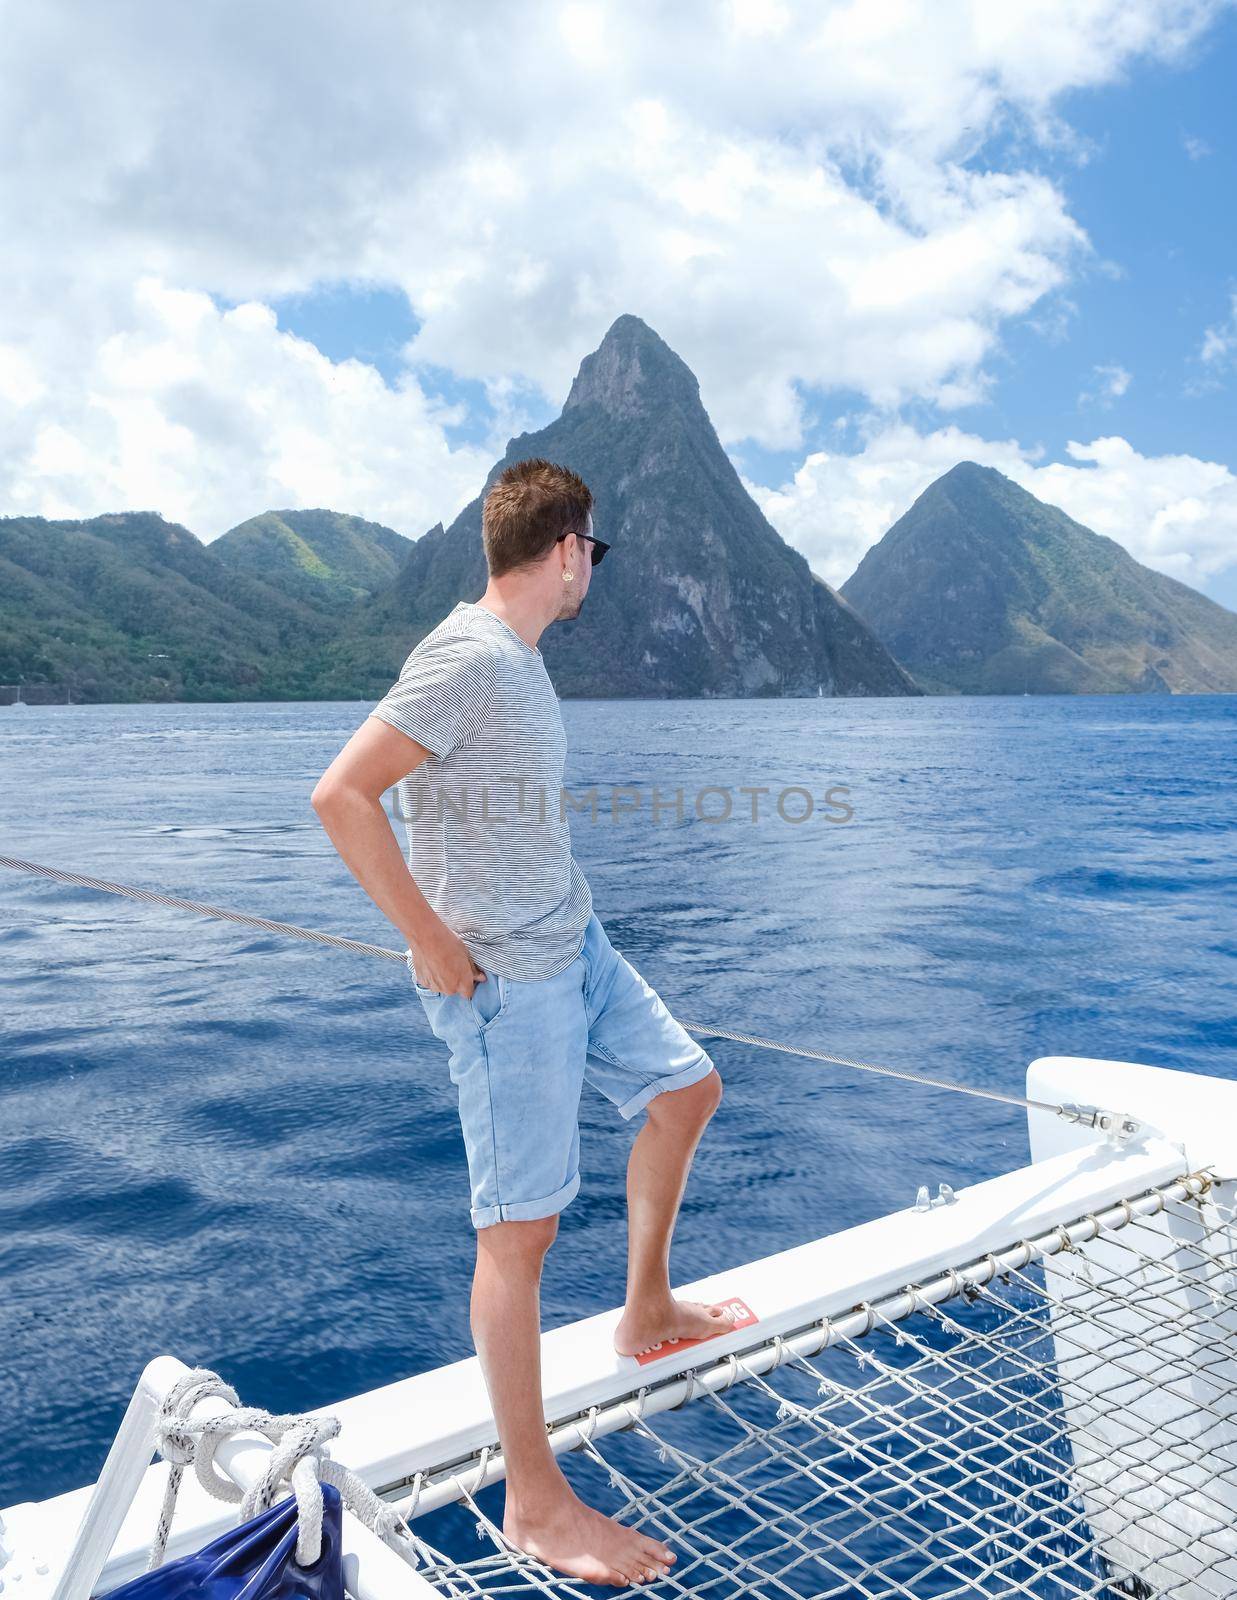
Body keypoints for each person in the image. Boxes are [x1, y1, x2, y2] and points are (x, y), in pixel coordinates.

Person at [310, 457, 734, 1589]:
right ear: (564, 552)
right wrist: (433, 942)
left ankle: (645, 1308)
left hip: (574, 943)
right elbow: (342, 795)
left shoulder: (520, 661)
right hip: (507, 986)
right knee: (520, 1236)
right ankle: (534, 1498)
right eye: (590, 551)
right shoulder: (466, 657)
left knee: (686, 1091)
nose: (590, 568)